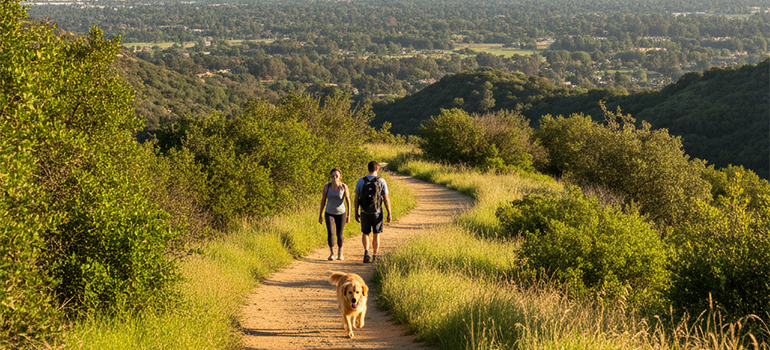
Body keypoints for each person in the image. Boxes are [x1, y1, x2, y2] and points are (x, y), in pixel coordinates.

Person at [354, 161, 392, 263]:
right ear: (377, 169)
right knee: (376, 233)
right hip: (377, 212)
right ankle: (375, 255)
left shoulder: (361, 181)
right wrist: (389, 213)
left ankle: (366, 252)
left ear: (368, 168)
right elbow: (386, 199)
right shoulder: (381, 181)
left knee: (365, 233)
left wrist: (355, 212)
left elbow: (356, 198)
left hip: (364, 211)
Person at [319, 168, 351, 261]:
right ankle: (332, 252)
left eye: (336, 175)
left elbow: (348, 200)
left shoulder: (344, 187)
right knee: (330, 232)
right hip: (329, 212)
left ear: (340, 177)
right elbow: (323, 201)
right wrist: (320, 214)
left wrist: (349, 215)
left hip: (341, 213)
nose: (334, 177)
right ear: (331, 177)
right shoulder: (327, 187)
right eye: (333, 176)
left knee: (339, 234)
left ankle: (340, 252)